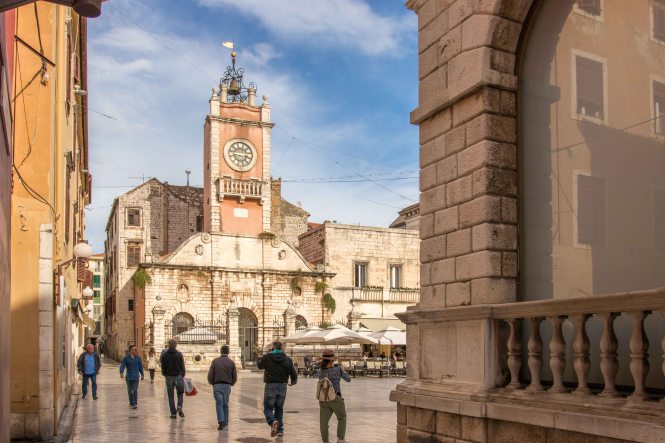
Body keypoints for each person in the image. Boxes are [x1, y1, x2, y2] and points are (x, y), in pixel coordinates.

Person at [257, 341, 297, 437]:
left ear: (273, 347)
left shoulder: (267, 357)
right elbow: (293, 373)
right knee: (279, 408)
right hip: (283, 385)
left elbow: (260, 366)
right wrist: (293, 382)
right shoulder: (288, 359)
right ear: (281, 348)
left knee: (268, 407)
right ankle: (279, 430)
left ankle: (272, 421)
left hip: (271, 385)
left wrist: (259, 357)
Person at [317, 349, 351, 443]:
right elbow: (348, 379)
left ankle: (325, 440)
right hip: (335, 397)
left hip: (323, 398)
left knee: (323, 421)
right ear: (332, 360)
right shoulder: (337, 369)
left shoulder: (320, 371)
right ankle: (340, 439)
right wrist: (343, 370)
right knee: (342, 417)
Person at [207, 344, 237, 430]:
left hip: (217, 385)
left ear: (221, 351)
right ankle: (226, 421)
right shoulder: (231, 362)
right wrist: (231, 383)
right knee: (225, 404)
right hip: (227, 385)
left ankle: (221, 421)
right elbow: (234, 376)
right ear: (228, 352)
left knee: (219, 403)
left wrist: (211, 382)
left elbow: (210, 375)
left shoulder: (215, 361)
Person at [161, 339, 186, 418]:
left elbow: (163, 366)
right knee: (180, 393)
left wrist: (164, 373)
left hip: (169, 377)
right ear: (176, 345)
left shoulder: (164, 355)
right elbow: (182, 366)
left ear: (168, 345)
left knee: (170, 396)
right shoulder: (179, 354)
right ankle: (179, 406)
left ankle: (173, 413)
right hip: (178, 376)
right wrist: (183, 374)